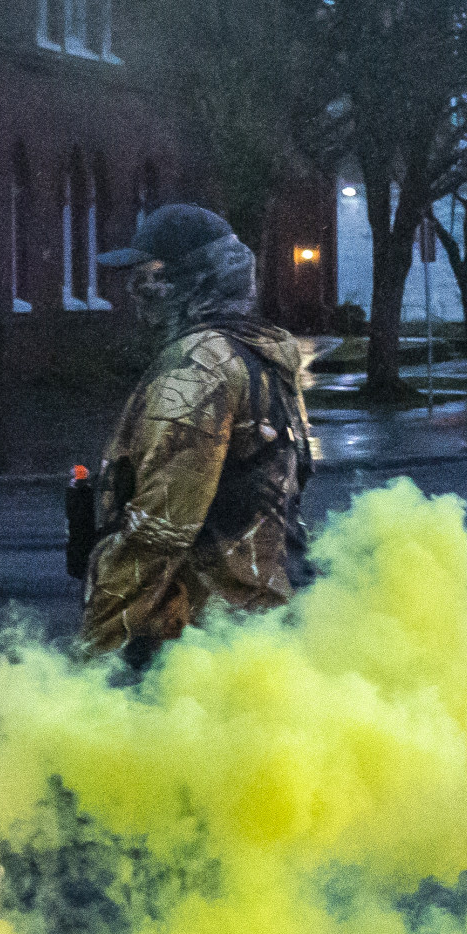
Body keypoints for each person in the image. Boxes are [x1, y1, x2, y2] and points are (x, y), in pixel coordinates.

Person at [81, 205, 312, 666]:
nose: (137, 289)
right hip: (258, 620)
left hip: (197, 639)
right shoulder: (259, 351)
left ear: (196, 279)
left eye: (153, 273)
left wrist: (99, 649)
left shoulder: (197, 368)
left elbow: (158, 532)